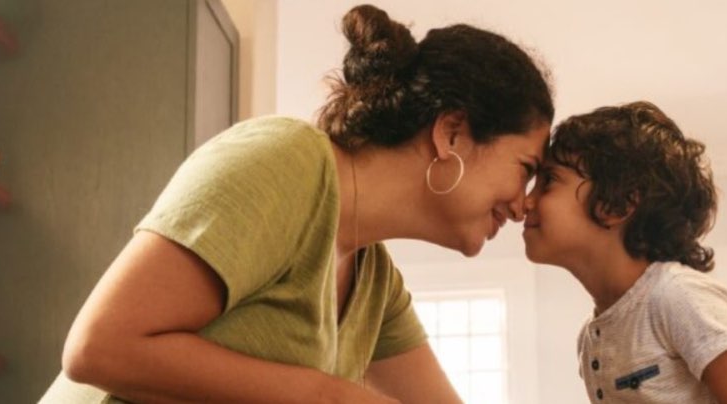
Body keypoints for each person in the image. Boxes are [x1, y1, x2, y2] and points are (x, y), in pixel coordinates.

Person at [40, 4, 555, 403]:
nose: (521, 207)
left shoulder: (376, 285)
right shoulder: (288, 163)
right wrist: (330, 395)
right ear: (452, 132)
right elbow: (97, 349)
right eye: (525, 169)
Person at [521, 101, 727, 403]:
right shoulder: (591, 338)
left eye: (549, 182)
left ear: (617, 205)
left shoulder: (679, 297)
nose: (526, 202)